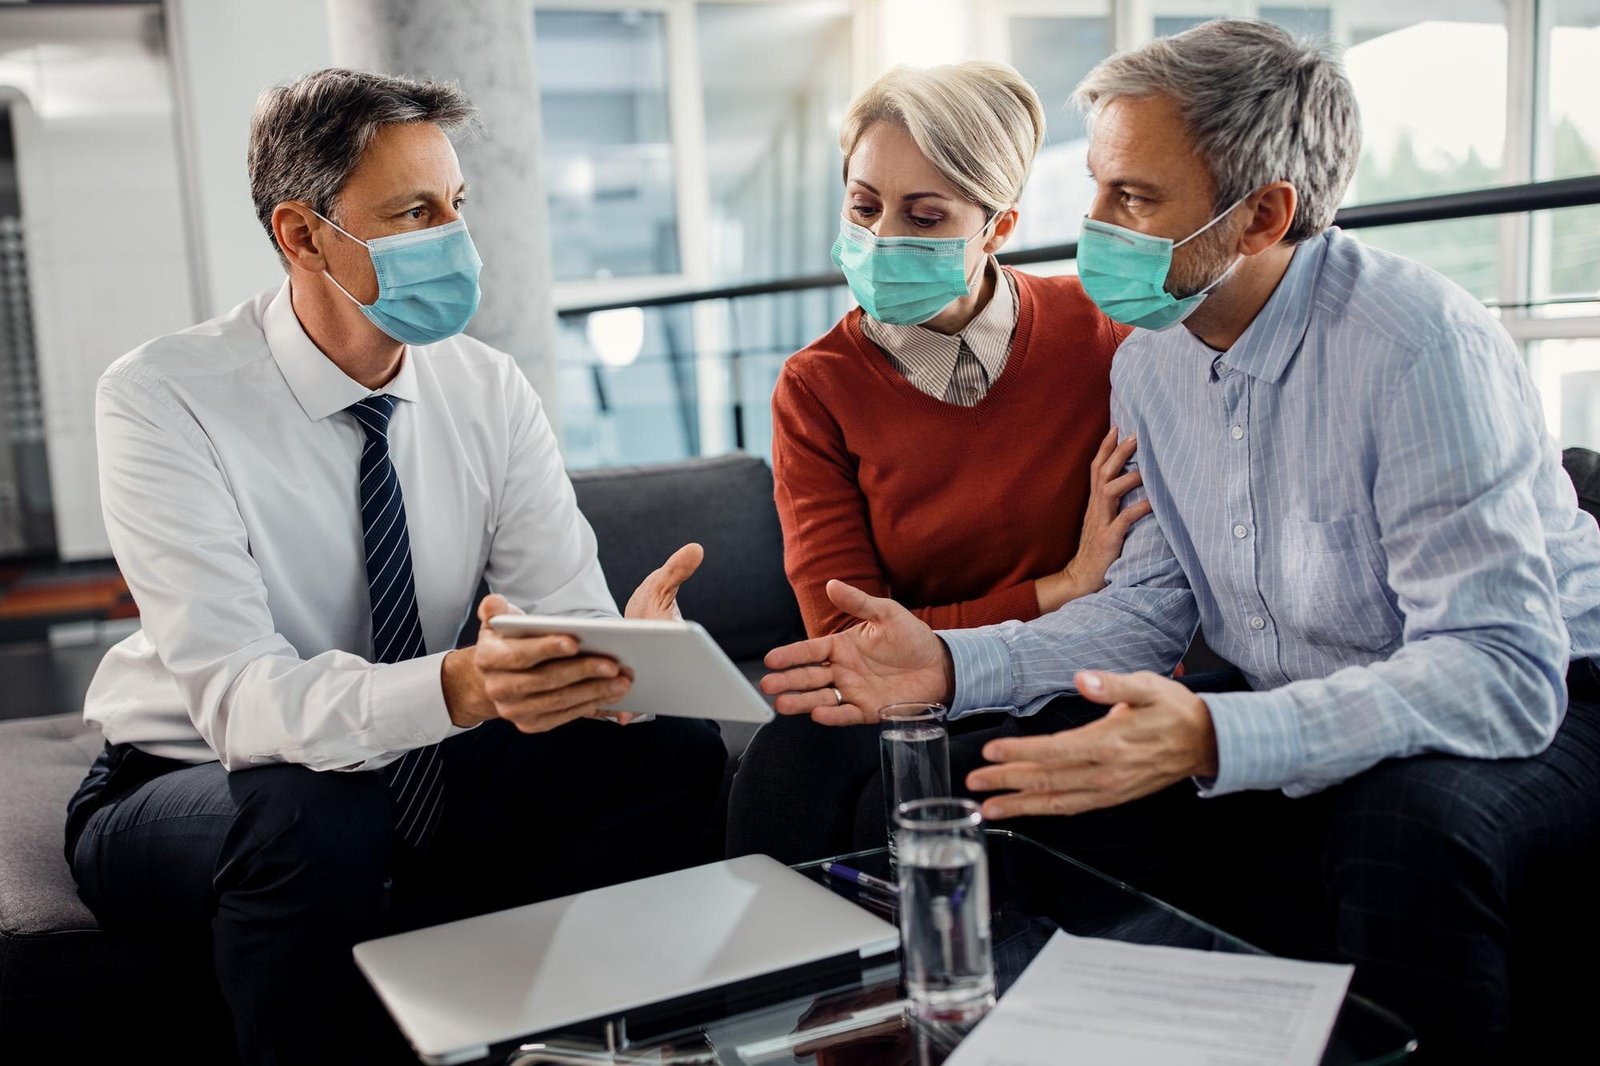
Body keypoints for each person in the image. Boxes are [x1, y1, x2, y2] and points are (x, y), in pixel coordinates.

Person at [759, 20, 1600, 1062]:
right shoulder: (1152, 362)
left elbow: (1499, 670)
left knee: (1404, 829)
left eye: (1131, 198)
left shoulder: (1417, 344)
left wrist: (1211, 735)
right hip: (1315, 694)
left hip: (1546, 695)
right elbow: (1145, 605)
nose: (1091, 228)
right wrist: (946, 662)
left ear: (1262, 215)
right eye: (1097, 190)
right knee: (1020, 782)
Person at [63, 69, 726, 1066]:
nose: (455, 240)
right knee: (311, 805)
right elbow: (243, 702)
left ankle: (603, 1048)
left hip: (420, 749)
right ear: (301, 235)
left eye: (456, 205)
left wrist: (615, 663)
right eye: (414, 213)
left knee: (664, 750)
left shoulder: (487, 388)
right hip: (190, 773)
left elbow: (557, 612)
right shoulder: (163, 397)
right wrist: (458, 686)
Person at [727, 62, 1146, 862]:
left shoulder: (1102, 337)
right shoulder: (817, 386)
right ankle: (791, 986)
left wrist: (1052, 612)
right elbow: (850, 634)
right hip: (904, 690)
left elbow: (1148, 580)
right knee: (789, 761)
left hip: (1071, 672)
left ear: (997, 226)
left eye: (924, 217)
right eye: (864, 206)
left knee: (919, 789)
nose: (883, 237)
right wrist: (1058, 586)